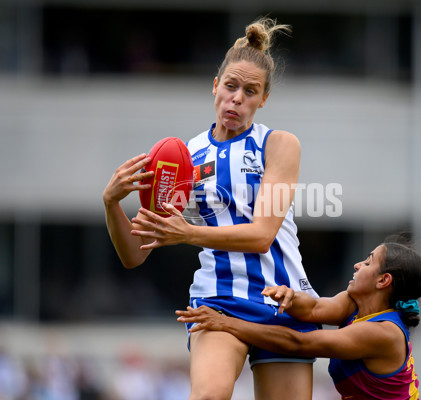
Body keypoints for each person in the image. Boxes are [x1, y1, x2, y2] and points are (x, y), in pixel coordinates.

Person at [102, 17, 320, 400]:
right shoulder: (183, 157)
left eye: (250, 91)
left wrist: (187, 233)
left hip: (284, 301)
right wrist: (111, 203)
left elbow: (262, 235)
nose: (237, 98)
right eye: (231, 86)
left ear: (264, 99)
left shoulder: (280, 145)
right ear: (215, 87)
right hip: (218, 300)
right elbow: (134, 254)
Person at [177, 234, 421, 400]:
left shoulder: (382, 333)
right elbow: (314, 309)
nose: (357, 265)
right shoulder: (353, 303)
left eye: (368, 263)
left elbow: (299, 343)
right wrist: (290, 296)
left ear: (383, 280)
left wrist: (227, 323)